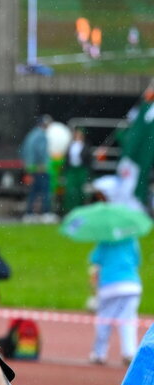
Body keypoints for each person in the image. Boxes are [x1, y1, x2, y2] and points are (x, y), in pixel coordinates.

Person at [88, 235, 142, 366]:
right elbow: (137, 261)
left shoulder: (105, 240)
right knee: (128, 320)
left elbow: (94, 260)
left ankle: (99, 353)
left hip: (109, 285)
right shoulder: (131, 240)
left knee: (104, 319)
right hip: (131, 285)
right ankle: (129, 353)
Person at [22, 115, 53, 220]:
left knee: (34, 191)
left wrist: (28, 164)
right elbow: (41, 151)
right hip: (41, 168)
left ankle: (29, 214)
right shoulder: (41, 135)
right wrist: (41, 164)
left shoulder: (31, 134)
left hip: (32, 168)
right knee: (45, 191)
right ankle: (46, 213)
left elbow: (23, 150)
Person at [63, 128, 92, 214]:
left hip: (81, 170)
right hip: (72, 170)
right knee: (70, 190)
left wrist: (89, 174)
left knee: (81, 191)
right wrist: (64, 173)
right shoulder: (70, 145)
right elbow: (66, 160)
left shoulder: (85, 146)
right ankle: (70, 210)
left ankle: (81, 210)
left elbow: (89, 161)